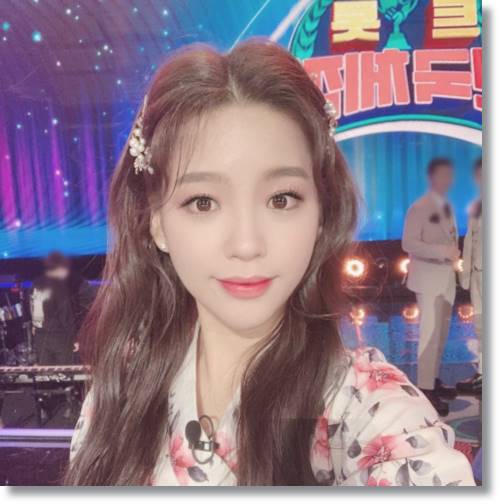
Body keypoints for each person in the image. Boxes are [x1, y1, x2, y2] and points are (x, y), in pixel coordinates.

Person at [64, 40, 474, 486]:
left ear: (322, 213)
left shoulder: (366, 410)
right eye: (203, 202)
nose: (247, 245)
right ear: (157, 224)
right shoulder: (121, 390)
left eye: (281, 199)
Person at [402, 158, 461, 417]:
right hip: (428, 278)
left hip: (446, 278)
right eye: (442, 175)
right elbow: (408, 243)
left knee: (441, 334)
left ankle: (432, 379)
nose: (447, 180)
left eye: (449, 175)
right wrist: (442, 251)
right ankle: (425, 388)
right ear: (431, 178)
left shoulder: (447, 206)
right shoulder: (419, 207)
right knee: (429, 335)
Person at [31, 251, 95, 365]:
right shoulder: (59, 286)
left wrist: (34, 325)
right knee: (65, 371)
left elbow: (31, 305)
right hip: (60, 337)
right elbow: (65, 314)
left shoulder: (36, 283)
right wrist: (74, 339)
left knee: (45, 372)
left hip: (40, 336)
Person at [457, 158, 483, 395]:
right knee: (481, 325)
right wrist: (465, 276)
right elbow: (469, 242)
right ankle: (483, 372)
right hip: (477, 274)